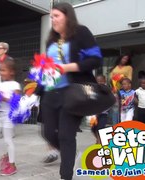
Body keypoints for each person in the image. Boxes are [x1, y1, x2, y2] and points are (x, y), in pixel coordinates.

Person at [42, 3, 102, 180]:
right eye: (51, 16)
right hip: (51, 92)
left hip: (73, 93)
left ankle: (65, 175)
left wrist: (67, 67)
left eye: (57, 16)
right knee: (48, 133)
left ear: (67, 16)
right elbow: (48, 66)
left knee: (67, 136)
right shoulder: (51, 40)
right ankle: (70, 153)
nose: (53, 19)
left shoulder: (81, 33)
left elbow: (96, 59)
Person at [0, 59, 20, 176]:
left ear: (11, 72)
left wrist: (4, 98)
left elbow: (17, 101)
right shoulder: (0, 84)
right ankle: (7, 155)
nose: (1, 72)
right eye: (0, 70)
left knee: (8, 140)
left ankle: (12, 165)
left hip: (8, 115)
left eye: (3, 70)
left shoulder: (15, 84)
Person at [91, 75, 109, 144]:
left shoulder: (107, 90)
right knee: (93, 128)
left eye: (101, 81)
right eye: (98, 81)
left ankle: (99, 141)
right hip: (94, 114)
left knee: (100, 128)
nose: (99, 83)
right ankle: (98, 139)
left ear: (104, 81)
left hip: (103, 113)